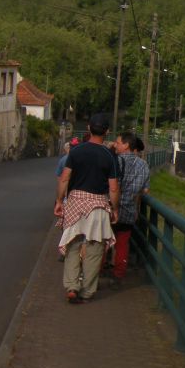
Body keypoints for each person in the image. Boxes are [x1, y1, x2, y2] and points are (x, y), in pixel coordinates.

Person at [53, 113, 119, 303]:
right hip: (98, 205)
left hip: (75, 202)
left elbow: (64, 178)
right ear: (107, 131)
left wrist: (59, 201)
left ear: (89, 128)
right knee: (95, 249)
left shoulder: (76, 151)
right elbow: (113, 188)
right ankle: (87, 291)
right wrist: (114, 209)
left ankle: (72, 286)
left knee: (73, 245)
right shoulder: (109, 155)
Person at [109, 131, 150, 286]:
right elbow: (145, 190)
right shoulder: (144, 164)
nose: (115, 144)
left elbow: (112, 186)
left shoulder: (115, 161)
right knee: (122, 243)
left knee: (103, 241)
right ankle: (118, 275)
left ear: (126, 145)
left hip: (112, 209)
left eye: (118, 142)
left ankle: (98, 272)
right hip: (130, 210)